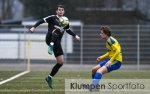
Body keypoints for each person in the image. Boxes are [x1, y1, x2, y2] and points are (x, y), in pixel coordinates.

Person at [29, 5, 80, 89]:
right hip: (49, 39)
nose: (60, 11)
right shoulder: (52, 17)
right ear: (56, 11)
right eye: (59, 10)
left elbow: (68, 30)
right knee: (58, 29)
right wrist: (34, 27)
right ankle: (51, 45)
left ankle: (49, 77)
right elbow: (41, 21)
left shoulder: (64, 21)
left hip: (57, 43)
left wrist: (75, 36)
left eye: (62, 10)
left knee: (60, 62)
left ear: (64, 12)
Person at [90, 26, 122, 91]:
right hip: (111, 59)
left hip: (116, 61)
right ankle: (96, 87)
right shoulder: (108, 41)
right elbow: (109, 52)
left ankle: (93, 87)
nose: (100, 34)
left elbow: (118, 51)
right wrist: (101, 57)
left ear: (106, 34)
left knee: (99, 71)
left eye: (101, 33)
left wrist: (111, 61)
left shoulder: (111, 41)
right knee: (94, 70)